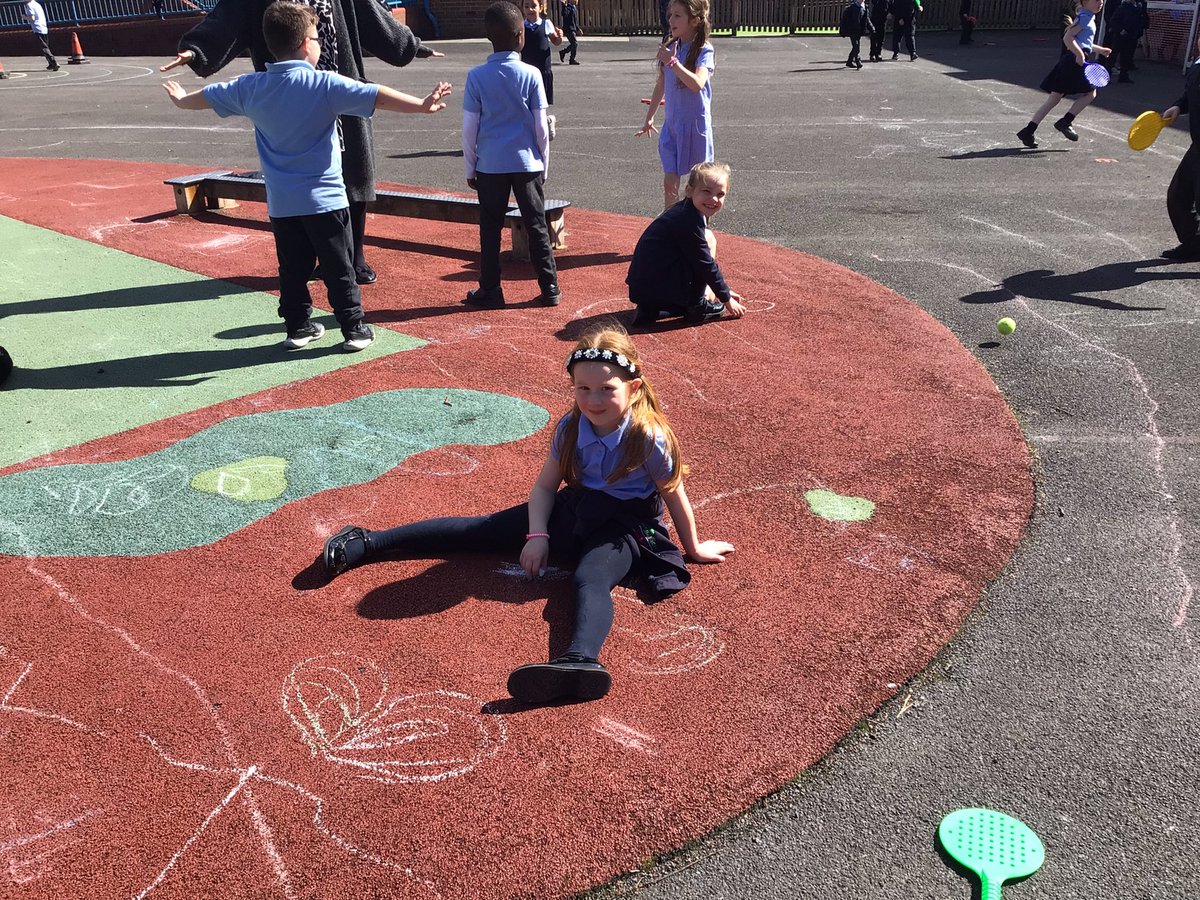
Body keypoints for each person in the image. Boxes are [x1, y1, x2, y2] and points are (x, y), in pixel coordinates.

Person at [321, 325, 737, 704]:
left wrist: (693, 547)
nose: (593, 400)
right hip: (575, 509)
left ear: (633, 387)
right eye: (583, 389)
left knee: (590, 577)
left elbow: (673, 491)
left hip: (624, 526)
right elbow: (543, 488)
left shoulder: (648, 437)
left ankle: (579, 661)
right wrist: (537, 534)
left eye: (606, 389)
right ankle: (368, 541)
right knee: (480, 530)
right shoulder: (571, 427)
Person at [163, 2, 451, 352]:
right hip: (326, 200)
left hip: (283, 204)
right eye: (316, 38)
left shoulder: (250, 87)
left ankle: (298, 328)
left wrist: (180, 100)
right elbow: (377, 96)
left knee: (292, 270)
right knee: (339, 267)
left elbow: (206, 97)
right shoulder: (323, 84)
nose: (319, 43)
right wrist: (422, 105)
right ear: (304, 45)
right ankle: (354, 328)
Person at [462, 1, 561, 310]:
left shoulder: (476, 76)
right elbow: (540, 126)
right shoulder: (532, 75)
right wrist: (544, 162)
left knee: (490, 227)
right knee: (536, 225)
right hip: (527, 162)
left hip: (490, 163)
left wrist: (470, 166)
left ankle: (490, 288)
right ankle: (550, 286)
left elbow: (469, 127)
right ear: (521, 36)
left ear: (488, 37)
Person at [625, 161, 747, 325]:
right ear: (689, 190)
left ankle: (650, 310)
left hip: (642, 290)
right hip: (654, 288)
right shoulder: (688, 221)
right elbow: (705, 264)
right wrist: (725, 297)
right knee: (705, 244)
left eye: (720, 194)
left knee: (703, 241)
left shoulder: (682, 210)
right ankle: (696, 305)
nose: (714, 199)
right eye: (706, 191)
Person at [636, 0, 716, 211]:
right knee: (670, 182)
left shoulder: (703, 50)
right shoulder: (671, 47)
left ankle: (699, 226)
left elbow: (697, 84)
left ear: (695, 20)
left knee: (700, 185)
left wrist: (674, 63)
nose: (670, 20)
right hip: (673, 126)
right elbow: (661, 84)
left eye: (677, 15)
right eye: (670, 15)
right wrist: (649, 117)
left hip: (695, 127)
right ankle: (670, 226)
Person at [1017, 0, 1111, 148]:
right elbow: (1068, 38)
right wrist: (1079, 55)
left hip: (1071, 61)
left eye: (1102, 0)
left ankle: (1028, 131)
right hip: (1073, 62)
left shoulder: (1087, 16)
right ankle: (1065, 122)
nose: (1101, 3)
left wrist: (1100, 50)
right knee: (1090, 94)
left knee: (1054, 99)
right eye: (1096, 0)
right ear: (1085, 2)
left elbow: (1083, 42)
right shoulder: (1085, 17)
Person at [1159, 36, 1200, 260]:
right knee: (1178, 196)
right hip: (1198, 145)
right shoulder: (1197, 67)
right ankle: (1194, 244)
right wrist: (1178, 105)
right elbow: (1190, 93)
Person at [520, 0, 562, 138]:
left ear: (541, 7)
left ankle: (546, 123)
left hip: (543, 70)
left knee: (540, 103)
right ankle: (544, 122)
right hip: (527, 71)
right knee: (527, 102)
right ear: (522, 8)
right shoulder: (521, 26)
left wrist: (559, 37)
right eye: (527, 6)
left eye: (533, 6)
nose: (530, 9)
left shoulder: (546, 24)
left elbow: (555, 41)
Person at [1107, 0, 1148, 81]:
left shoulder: (1138, 8)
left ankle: (1123, 76)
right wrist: (1120, 30)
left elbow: (1141, 20)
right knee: (1113, 56)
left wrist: (1139, 31)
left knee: (1126, 57)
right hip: (1120, 36)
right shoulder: (1123, 7)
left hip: (1131, 36)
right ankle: (1107, 76)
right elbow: (1113, 20)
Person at [22, 0, 58, 72]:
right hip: (43, 26)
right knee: (46, 46)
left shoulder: (29, 5)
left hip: (37, 27)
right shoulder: (36, 4)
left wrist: (25, 17)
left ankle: (54, 62)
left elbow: (32, 18)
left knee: (44, 47)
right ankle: (51, 63)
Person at [839, 0, 874, 69]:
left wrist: (872, 28)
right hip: (852, 30)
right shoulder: (851, 8)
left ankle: (849, 61)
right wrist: (843, 30)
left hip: (859, 31)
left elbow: (867, 19)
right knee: (856, 47)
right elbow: (845, 20)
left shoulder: (864, 7)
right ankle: (858, 61)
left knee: (855, 47)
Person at [559, 0, 582, 65]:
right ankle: (568, 56)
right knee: (575, 43)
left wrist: (578, 29)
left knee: (574, 44)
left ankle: (569, 57)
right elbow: (564, 14)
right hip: (569, 29)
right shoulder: (568, 7)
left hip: (573, 29)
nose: (577, 1)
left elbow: (574, 21)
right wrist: (564, 6)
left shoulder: (574, 8)